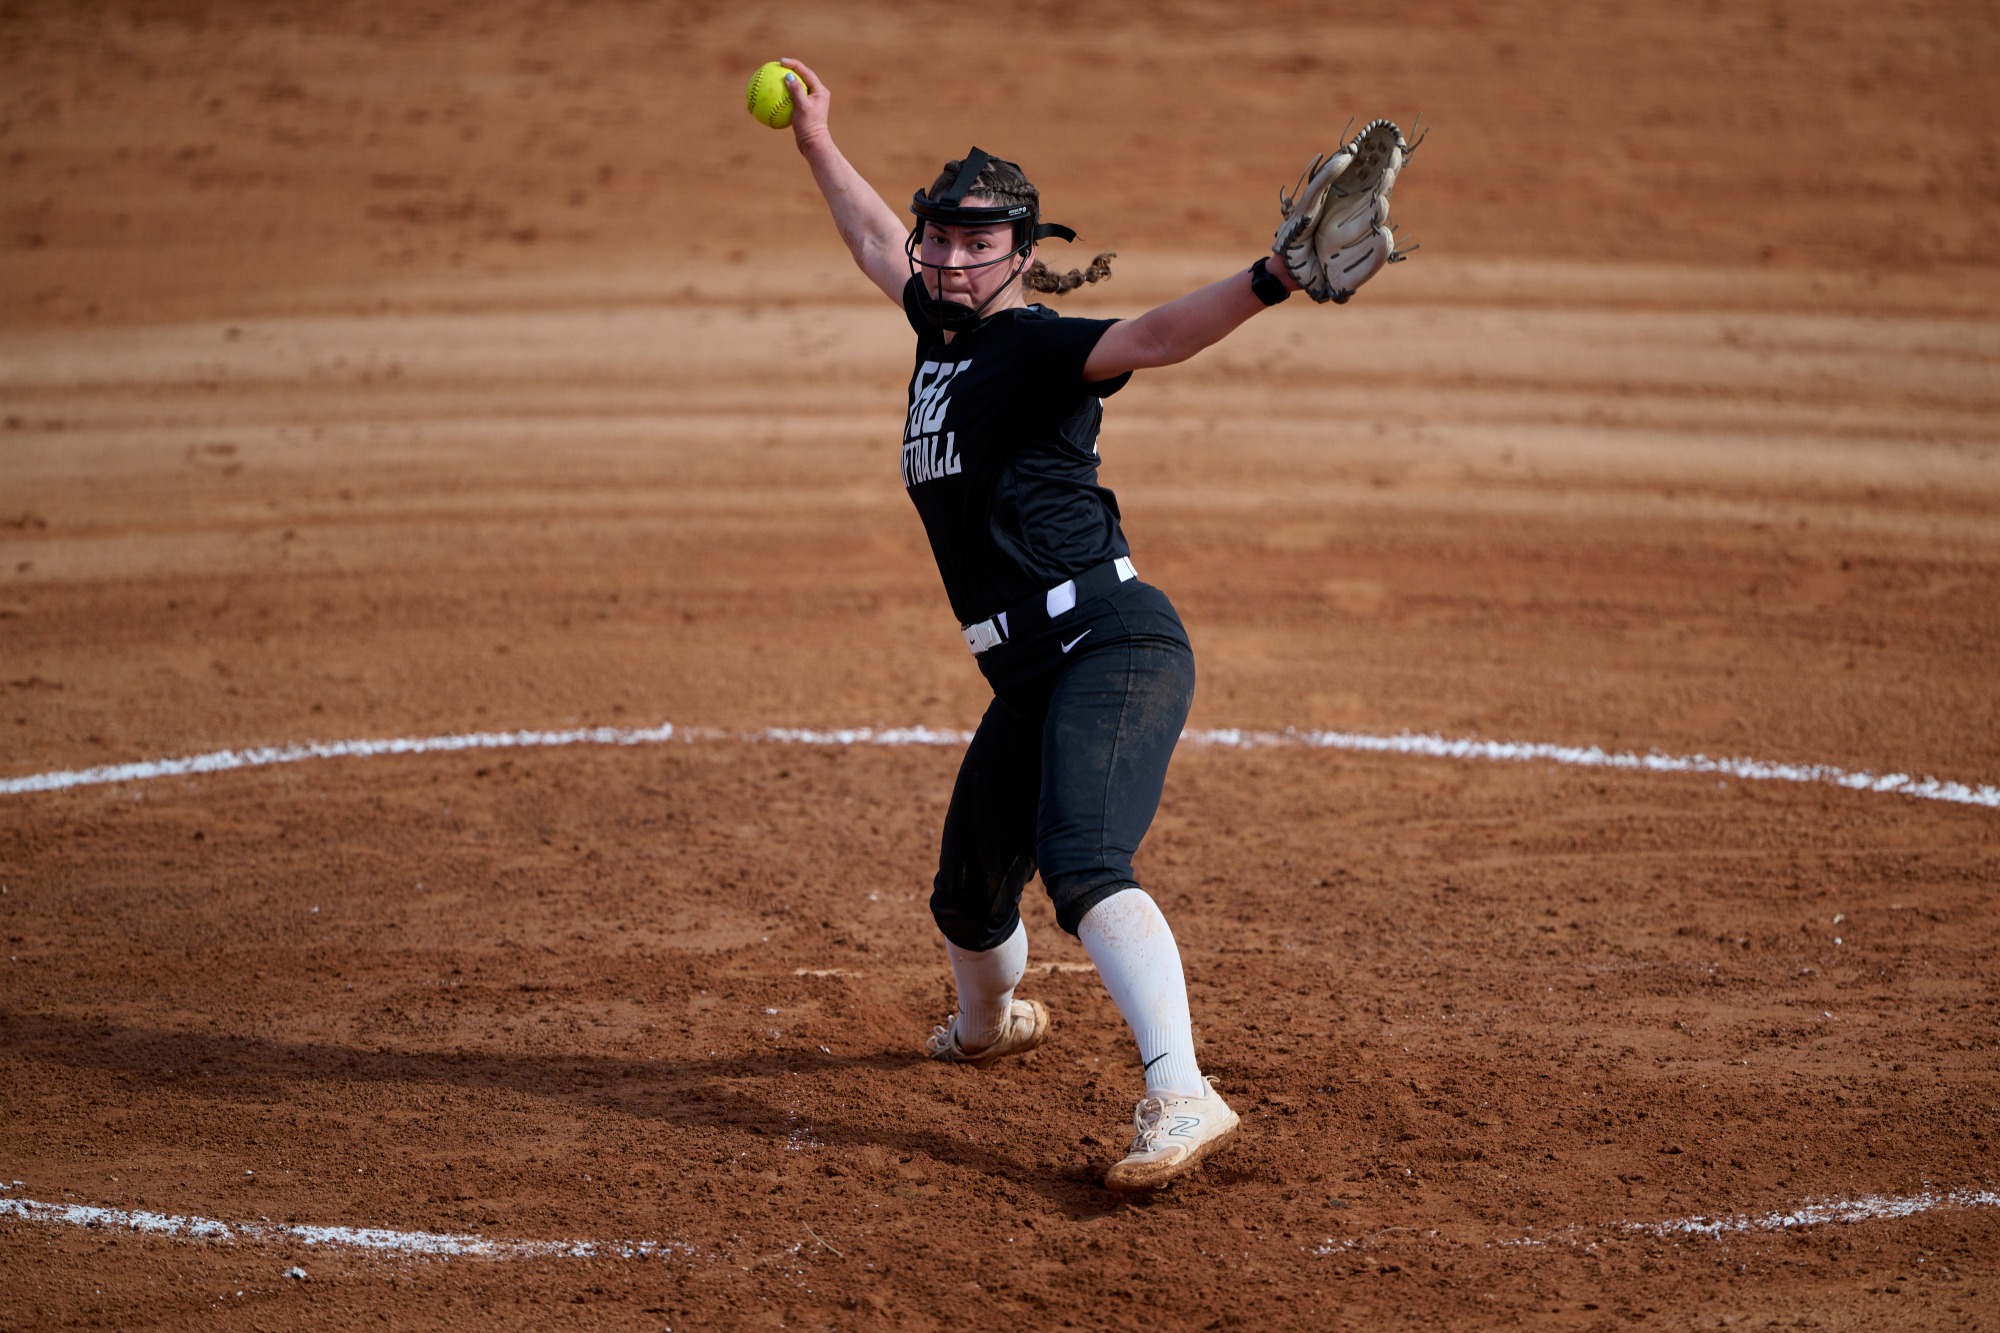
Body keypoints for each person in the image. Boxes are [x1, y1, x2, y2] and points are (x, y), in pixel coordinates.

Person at [775, 57, 1311, 1192]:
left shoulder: (1029, 345)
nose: (950, 256)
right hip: (1028, 677)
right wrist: (818, 143)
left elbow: (1157, 336)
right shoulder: (938, 330)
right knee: (968, 900)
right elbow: (874, 243)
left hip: (1109, 644)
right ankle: (988, 1025)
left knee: (1081, 862)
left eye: (979, 243)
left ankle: (1181, 1089)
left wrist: (1270, 278)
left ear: (1022, 254)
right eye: (941, 237)